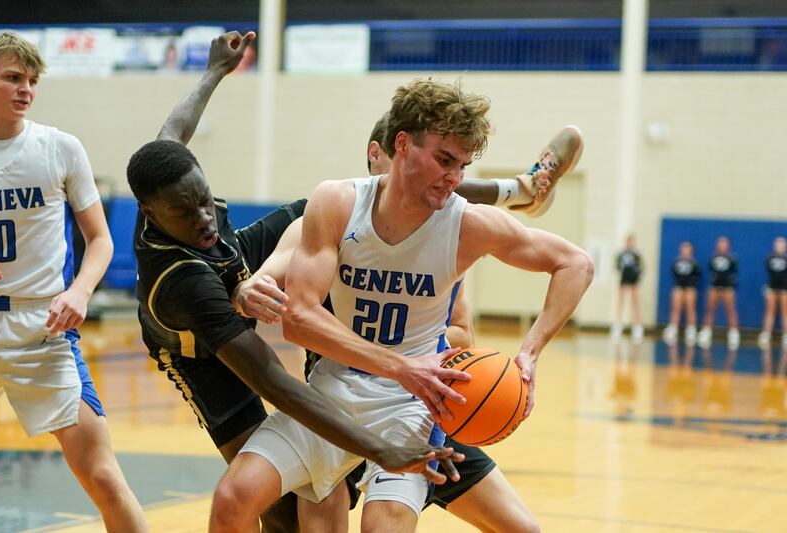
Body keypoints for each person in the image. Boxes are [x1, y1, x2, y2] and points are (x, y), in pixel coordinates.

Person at [210, 78, 593, 532]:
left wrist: (529, 354)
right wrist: (248, 289)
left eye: (463, 166)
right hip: (333, 387)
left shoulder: (468, 225)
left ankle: (527, 188)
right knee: (233, 497)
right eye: (444, 159)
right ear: (401, 144)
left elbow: (575, 263)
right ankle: (525, 188)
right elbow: (299, 321)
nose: (454, 177)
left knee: (383, 526)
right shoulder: (336, 202)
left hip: (410, 405)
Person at [128, 31, 465, 532]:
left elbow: (173, 131)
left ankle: (506, 192)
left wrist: (214, 72)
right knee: (278, 506)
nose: (203, 217)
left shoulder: (175, 181)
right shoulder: (181, 282)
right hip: (198, 351)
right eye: (184, 212)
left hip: (235, 263)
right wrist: (378, 447)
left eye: (204, 199)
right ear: (149, 213)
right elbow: (275, 382)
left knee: (328, 208)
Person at [0, 32, 148, 532]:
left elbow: (100, 240)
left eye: (32, 80)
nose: (25, 89)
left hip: (42, 325)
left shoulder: (59, 147)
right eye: (12, 77)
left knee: (101, 475)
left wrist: (79, 291)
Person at [698, 236, 739, 349]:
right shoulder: (713, 258)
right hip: (715, 287)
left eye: (724, 244)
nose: (722, 246)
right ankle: (707, 331)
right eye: (720, 243)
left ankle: (733, 333)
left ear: (728, 246)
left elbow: (734, 274)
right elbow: (711, 272)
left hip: (727, 288)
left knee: (730, 310)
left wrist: (730, 287)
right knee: (710, 309)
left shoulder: (732, 259)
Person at [663, 241, 701, 346]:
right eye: (684, 249)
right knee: (676, 307)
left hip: (690, 287)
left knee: (690, 307)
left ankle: (691, 330)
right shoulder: (676, 262)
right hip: (679, 286)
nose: (685, 251)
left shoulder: (694, 263)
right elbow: (674, 274)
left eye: (687, 249)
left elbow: (697, 276)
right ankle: (673, 328)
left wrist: (691, 286)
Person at [611, 234, 644, 343]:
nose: (629, 243)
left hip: (633, 281)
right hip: (624, 280)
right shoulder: (621, 254)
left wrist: (636, 276)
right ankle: (618, 325)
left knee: (636, 303)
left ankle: (638, 327)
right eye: (628, 241)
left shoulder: (636, 255)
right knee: (620, 302)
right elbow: (617, 266)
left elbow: (641, 268)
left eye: (631, 241)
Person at [758, 237, 787, 350]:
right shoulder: (769, 258)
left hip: (784, 288)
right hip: (772, 287)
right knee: (769, 311)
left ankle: (785, 335)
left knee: (785, 312)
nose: (779, 246)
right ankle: (766, 334)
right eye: (777, 244)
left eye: (782, 244)